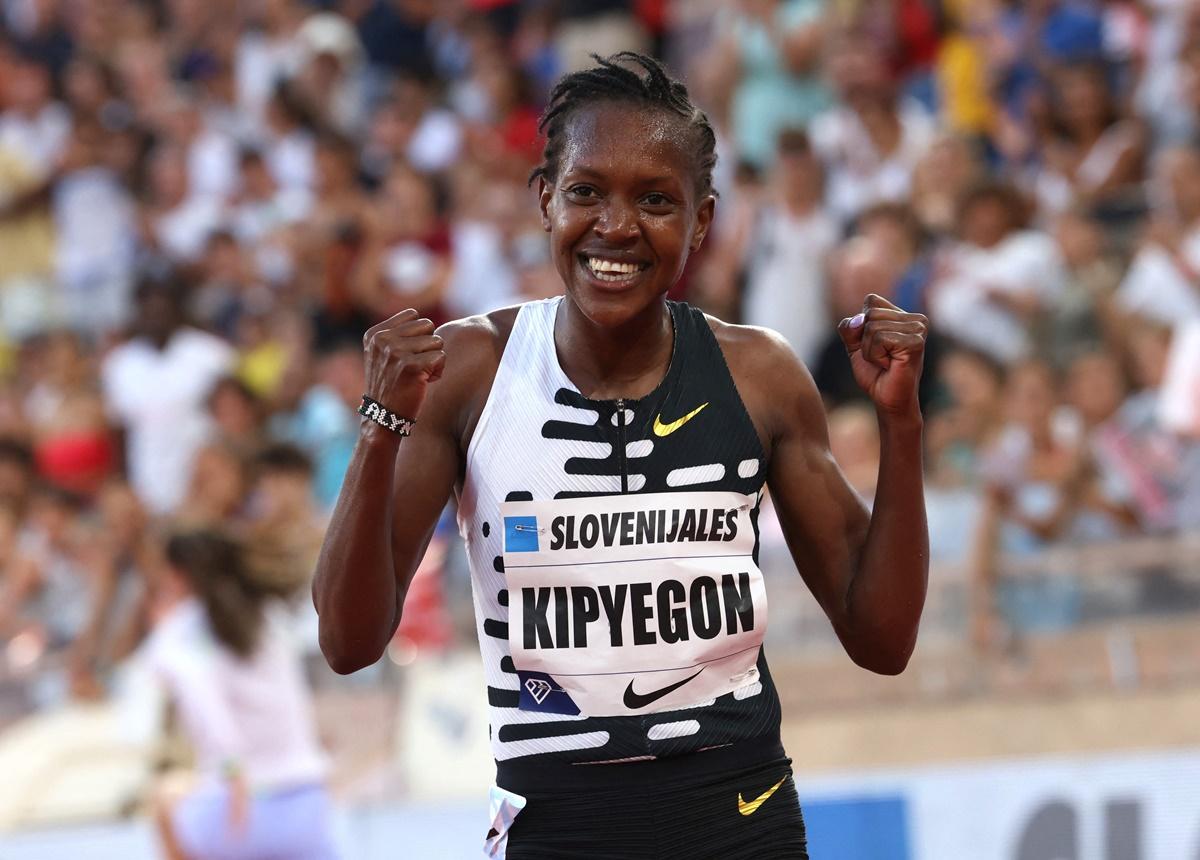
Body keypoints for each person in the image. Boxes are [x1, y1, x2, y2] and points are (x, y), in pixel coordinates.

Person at [313, 53, 929, 859]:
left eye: (655, 200)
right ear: (545, 199)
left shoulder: (760, 375)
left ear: (702, 222)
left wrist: (902, 426)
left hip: (740, 820)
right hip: (556, 825)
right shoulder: (467, 371)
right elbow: (348, 643)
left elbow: (882, 641)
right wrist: (378, 427)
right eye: (586, 192)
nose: (616, 226)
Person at [144, 529, 336, 860]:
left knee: (165, 797)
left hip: (240, 807)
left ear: (176, 576)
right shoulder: (270, 620)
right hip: (308, 803)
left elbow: (205, 705)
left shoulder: (180, 632)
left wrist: (233, 773)